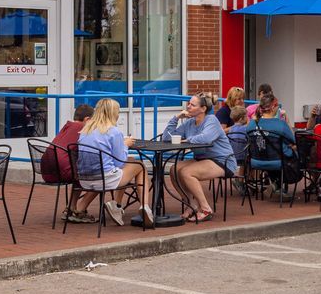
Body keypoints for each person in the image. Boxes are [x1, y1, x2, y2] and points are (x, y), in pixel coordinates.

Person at [72, 99, 152, 226]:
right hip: (105, 180)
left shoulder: (85, 130)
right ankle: (144, 206)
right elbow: (119, 162)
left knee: (128, 163)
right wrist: (125, 145)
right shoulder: (114, 132)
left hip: (84, 179)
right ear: (113, 113)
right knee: (140, 166)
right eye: (118, 112)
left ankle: (115, 207)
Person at [159, 94, 237, 222]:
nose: (188, 106)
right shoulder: (190, 122)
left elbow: (206, 138)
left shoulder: (211, 120)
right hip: (202, 159)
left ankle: (206, 209)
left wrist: (185, 141)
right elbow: (167, 138)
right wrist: (176, 117)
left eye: (192, 105)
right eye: (189, 103)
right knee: (174, 169)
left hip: (222, 160)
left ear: (203, 108)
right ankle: (191, 205)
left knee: (186, 172)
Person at [40, 103, 93, 189]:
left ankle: (74, 202)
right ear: (87, 119)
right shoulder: (82, 129)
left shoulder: (67, 127)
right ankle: (83, 202)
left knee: (80, 170)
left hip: (46, 173)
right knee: (97, 175)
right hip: (63, 174)